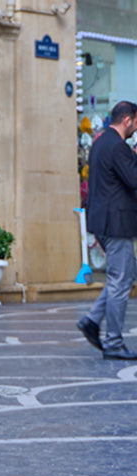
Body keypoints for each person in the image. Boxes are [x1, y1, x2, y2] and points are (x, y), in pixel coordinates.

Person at [77, 99, 137, 360]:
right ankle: (113, 342)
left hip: (103, 221)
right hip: (117, 223)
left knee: (118, 278)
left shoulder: (101, 142)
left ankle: (92, 321)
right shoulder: (118, 146)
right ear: (128, 120)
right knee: (120, 283)